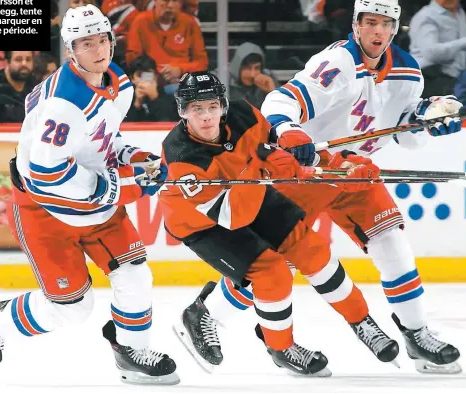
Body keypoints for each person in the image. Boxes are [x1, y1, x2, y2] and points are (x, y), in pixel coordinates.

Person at [182, 0, 463, 375]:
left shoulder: (408, 71)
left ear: (395, 28)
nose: (376, 31)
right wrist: (289, 131)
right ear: (355, 24)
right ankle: (206, 314)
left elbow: (401, 131)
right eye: (369, 22)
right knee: (272, 259)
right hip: (309, 172)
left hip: (355, 173)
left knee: (393, 244)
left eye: (384, 23)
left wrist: (431, 119)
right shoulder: (336, 64)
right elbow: (279, 101)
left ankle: (415, 334)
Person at [0, 4, 179, 386]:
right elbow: (49, 176)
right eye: (86, 43)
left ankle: (130, 351)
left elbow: (103, 139)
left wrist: (133, 157)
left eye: (103, 39)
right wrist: (124, 185)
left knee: (134, 275)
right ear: (70, 50)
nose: (98, 49)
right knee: (73, 310)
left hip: (94, 203)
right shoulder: (63, 105)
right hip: (45, 208)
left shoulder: (117, 82)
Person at [159, 71, 398, 375]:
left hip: (251, 192)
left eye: (211, 107)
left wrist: (339, 165)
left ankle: (362, 322)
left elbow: (272, 145)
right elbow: (234, 216)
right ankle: (281, 347)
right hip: (203, 223)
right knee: (272, 272)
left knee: (313, 251)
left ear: (222, 105)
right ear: (183, 111)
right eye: (196, 109)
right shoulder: (183, 158)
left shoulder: (243, 113)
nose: (206, 117)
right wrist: (265, 168)